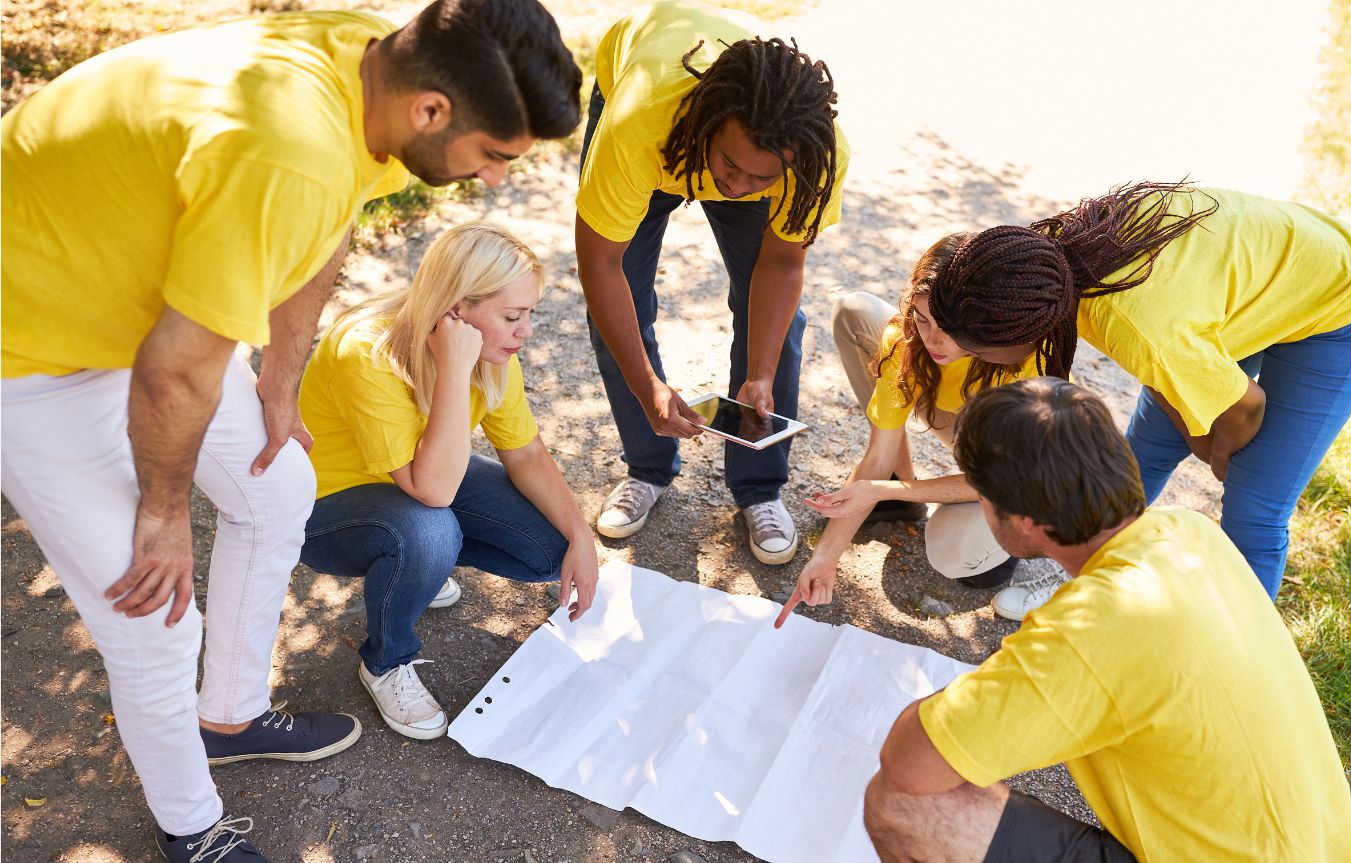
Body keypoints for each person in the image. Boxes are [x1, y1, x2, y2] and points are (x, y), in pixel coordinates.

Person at [0, 1, 581, 858]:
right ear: (432, 110)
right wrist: (162, 513)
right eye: (495, 154)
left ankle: (230, 716)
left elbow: (332, 228)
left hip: (137, 309)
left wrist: (280, 376)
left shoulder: (366, 69)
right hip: (31, 352)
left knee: (277, 487)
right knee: (154, 613)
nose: (496, 181)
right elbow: (175, 374)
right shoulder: (292, 152)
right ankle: (192, 829)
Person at [864, 378, 1351, 862]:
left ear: (1024, 521)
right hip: (1322, 847)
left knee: (900, 805)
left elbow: (909, 763)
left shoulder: (1087, 631)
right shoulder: (1189, 531)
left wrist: (981, 695)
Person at [925, 182, 1351, 597]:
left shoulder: (1142, 331)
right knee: (1138, 459)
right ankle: (1091, 584)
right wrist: (1195, 430)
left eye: (976, 350)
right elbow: (1168, 375)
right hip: (1241, 290)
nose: (966, 356)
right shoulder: (1034, 267)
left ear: (1022, 331)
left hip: (1338, 297)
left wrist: (1219, 455)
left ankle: (1230, 651)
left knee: (1255, 508)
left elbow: (1246, 408)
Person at [298, 222, 598, 741]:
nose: (526, 331)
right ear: (456, 311)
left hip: (420, 476)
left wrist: (581, 535)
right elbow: (433, 492)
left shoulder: (495, 352)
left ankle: (416, 570)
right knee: (430, 530)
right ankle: (387, 660)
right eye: (512, 316)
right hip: (324, 508)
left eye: (530, 313)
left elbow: (525, 453)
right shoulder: (366, 351)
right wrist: (455, 370)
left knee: (552, 550)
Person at [575, 0, 849, 564]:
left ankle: (759, 489)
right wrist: (648, 386)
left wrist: (761, 373)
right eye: (731, 166)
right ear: (710, 127)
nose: (740, 187)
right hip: (660, 127)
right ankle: (647, 467)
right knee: (618, 309)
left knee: (776, 325)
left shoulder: (814, 157)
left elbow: (781, 265)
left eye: (761, 178)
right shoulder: (638, 124)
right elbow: (601, 266)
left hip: (721, 135)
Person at [775, 234, 1056, 628]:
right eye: (922, 319)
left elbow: (1001, 480)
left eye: (949, 328)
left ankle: (1015, 545)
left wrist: (883, 491)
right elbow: (877, 457)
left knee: (954, 553)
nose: (934, 340)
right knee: (856, 311)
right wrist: (824, 558)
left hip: (1018, 475)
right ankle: (902, 494)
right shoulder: (911, 339)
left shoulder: (1021, 359)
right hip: (965, 422)